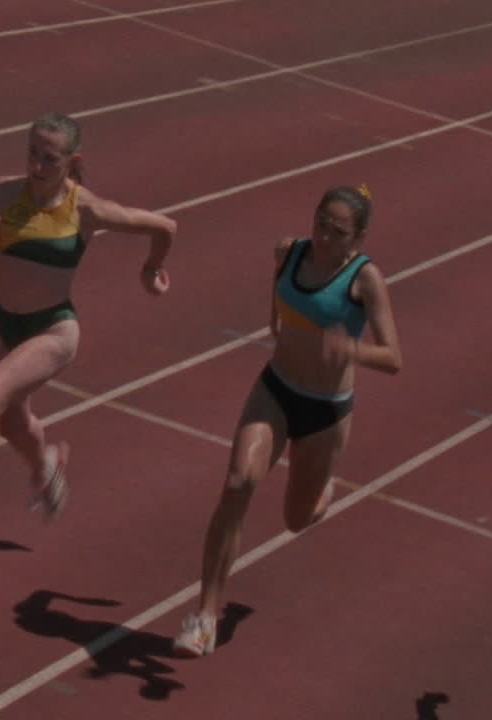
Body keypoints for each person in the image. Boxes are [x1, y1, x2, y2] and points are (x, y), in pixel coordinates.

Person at [0, 111, 175, 566]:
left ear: (72, 161)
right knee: (13, 423)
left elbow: (164, 226)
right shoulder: (0, 192)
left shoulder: (85, 209)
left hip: (52, 329)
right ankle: (47, 464)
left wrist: (151, 270)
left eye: (50, 159)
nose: (37, 166)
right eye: (32, 154)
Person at [172, 184, 402, 657]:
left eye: (336, 232)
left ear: (356, 240)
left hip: (325, 410)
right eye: (320, 223)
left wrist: (351, 349)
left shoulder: (366, 279)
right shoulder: (290, 253)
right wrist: (275, 322)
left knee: (296, 520)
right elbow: (278, 295)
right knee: (237, 484)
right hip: (275, 389)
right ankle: (205, 616)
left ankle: (322, 493)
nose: (323, 236)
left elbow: (394, 356)